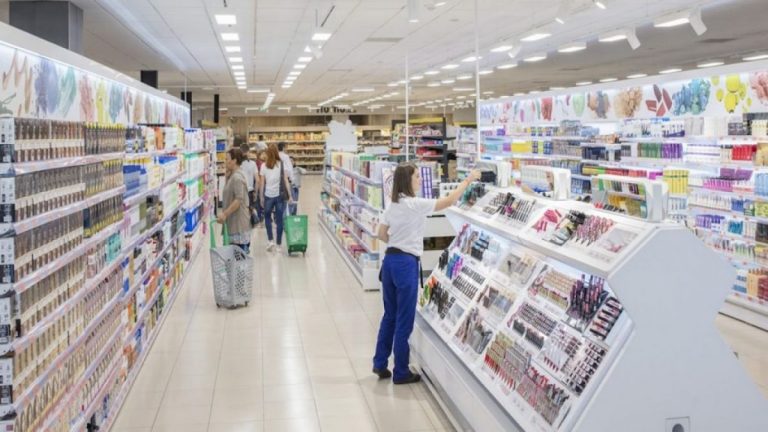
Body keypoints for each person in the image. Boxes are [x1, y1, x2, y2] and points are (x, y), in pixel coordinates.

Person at [372, 164, 481, 384]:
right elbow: (449, 201)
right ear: (407, 180)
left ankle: (379, 363)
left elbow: (381, 234)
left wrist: (397, 241)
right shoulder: (415, 204)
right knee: (404, 319)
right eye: (417, 176)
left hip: (390, 262)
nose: (420, 180)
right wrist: (468, 180)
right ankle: (401, 372)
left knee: (389, 316)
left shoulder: (392, 205)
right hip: (405, 264)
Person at [217, 148, 253, 254]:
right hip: (234, 224)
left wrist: (224, 214)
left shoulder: (237, 177)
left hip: (238, 226)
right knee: (235, 262)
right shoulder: (233, 175)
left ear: (234, 161)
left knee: (239, 263)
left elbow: (238, 200)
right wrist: (227, 177)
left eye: (227, 159)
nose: (225, 161)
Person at [258, 143, 292, 252]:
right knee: (279, 220)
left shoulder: (264, 166)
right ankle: (278, 245)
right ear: (277, 153)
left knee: (267, 218)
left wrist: (261, 197)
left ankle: (270, 240)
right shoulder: (281, 164)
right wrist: (290, 195)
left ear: (267, 153)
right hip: (279, 196)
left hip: (268, 195)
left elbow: (262, 183)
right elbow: (286, 180)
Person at [239, 144, 259, 227]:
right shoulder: (253, 164)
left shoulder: (238, 164)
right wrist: (256, 193)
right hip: (250, 190)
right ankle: (253, 221)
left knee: (241, 210)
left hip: (240, 190)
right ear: (248, 152)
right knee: (250, 208)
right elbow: (257, 180)